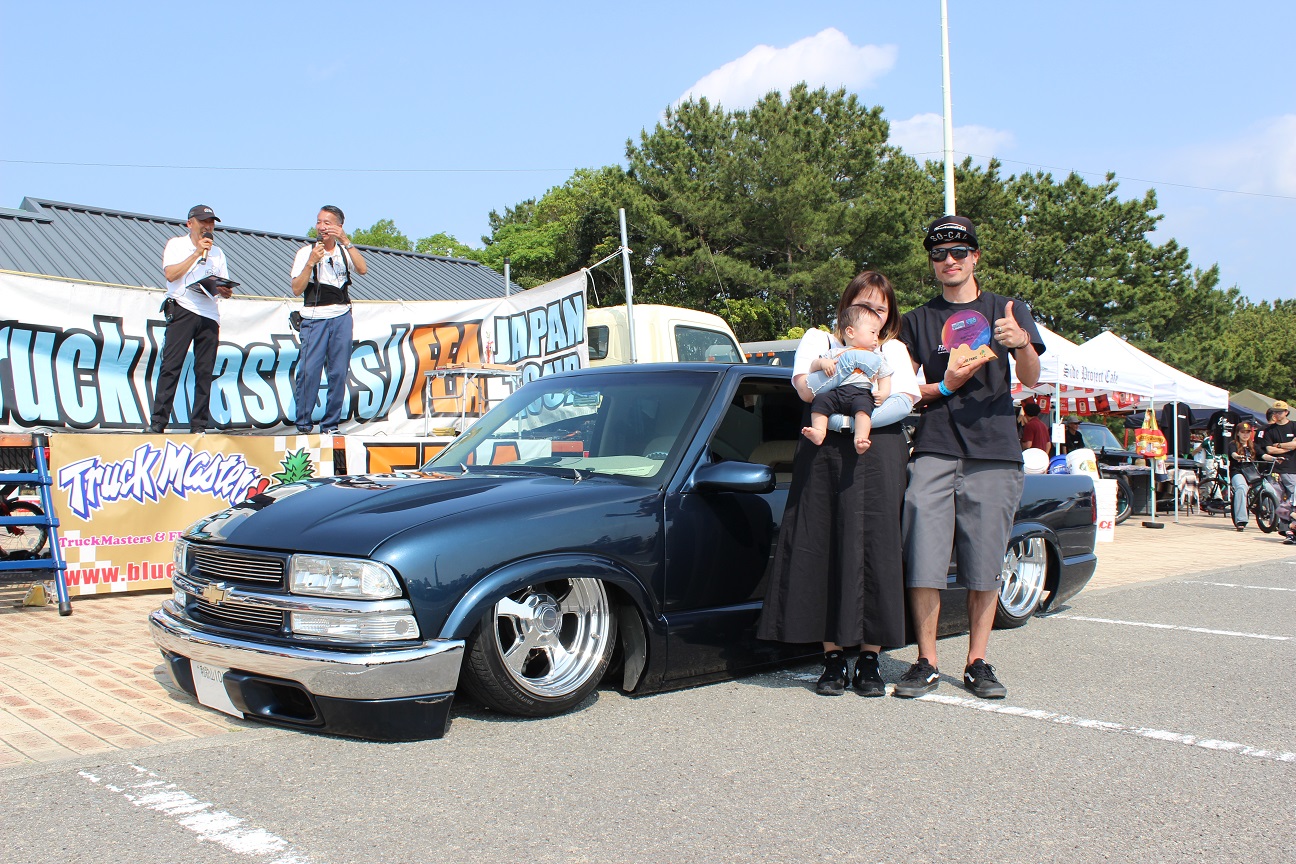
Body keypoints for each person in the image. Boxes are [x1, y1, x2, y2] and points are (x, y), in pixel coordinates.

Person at [895, 214, 1044, 700]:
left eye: (959, 251)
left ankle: (977, 661)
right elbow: (904, 391)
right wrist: (945, 384)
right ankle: (926, 661)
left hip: (995, 450)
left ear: (975, 257)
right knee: (924, 556)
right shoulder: (916, 320)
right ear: (932, 263)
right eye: (939, 253)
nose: (949, 260)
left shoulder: (1008, 309)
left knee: (984, 561)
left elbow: (1032, 377)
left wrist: (1021, 343)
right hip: (934, 448)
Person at [757, 271, 921, 696]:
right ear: (847, 307)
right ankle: (831, 658)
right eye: (864, 305)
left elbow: (902, 401)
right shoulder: (819, 341)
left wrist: (847, 422)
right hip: (822, 454)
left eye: (881, 309)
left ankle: (869, 658)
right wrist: (838, 370)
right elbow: (805, 390)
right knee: (820, 543)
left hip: (877, 450)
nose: (874, 315)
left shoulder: (893, 350)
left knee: (875, 546)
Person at [149, 204, 234, 434]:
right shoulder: (176, 244)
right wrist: (197, 253)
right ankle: (158, 422)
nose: (208, 226)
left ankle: (199, 426)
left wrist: (224, 290)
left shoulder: (218, 253)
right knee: (171, 366)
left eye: (211, 222)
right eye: (203, 221)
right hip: (182, 308)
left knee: (204, 371)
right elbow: (170, 274)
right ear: (190, 223)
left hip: (209, 314)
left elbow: (224, 287)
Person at [290, 205, 368, 434]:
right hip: (315, 318)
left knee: (338, 372)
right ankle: (303, 423)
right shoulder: (306, 252)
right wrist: (311, 262)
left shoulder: (344, 251)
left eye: (327, 223)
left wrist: (346, 241)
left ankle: (330, 424)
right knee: (309, 371)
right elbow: (296, 289)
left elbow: (363, 269)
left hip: (341, 316)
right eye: (319, 222)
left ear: (339, 226)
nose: (322, 227)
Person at [801, 303, 893, 454]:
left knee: (863, 410)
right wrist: (823, 363)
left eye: (878, 334)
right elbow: (813, 366)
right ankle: (819, 431)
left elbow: (885, 376)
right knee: (820, 400)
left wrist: (883, 393)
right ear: (850, 332)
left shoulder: (877, 356)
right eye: (873, 332)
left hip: (861, 393)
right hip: (837, 392)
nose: (876, 338)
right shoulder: (835, 352)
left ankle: (860, 439)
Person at [1261, 400, 1296, 542]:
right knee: (1279, 501)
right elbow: (1269, 449)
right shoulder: (1270, 430)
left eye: (1280, 412)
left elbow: (1295, 445)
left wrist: (1280, 445)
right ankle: (1286, 530)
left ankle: (1293, 529)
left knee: (1293, 500)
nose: (1277, 414)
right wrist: (1288, 447)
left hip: (1292, 469)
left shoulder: (1294, 426)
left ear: (1286, 412)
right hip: (1275, 469)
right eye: (1275, 412)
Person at [1226, 420, 1259, 531]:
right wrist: (1238, 456)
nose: (1245, 435)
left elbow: (1263, 455)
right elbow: (1233, 454)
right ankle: (1241, 520)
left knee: (1268, 488)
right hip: (1238, 472)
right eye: (1243, 432)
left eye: (1248, 432)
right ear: (1238, 433)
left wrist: (1273, 458)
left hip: (1252, 473)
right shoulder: (1233, 444)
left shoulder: (1253, 445)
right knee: (1241, 488)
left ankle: (1274, 519)